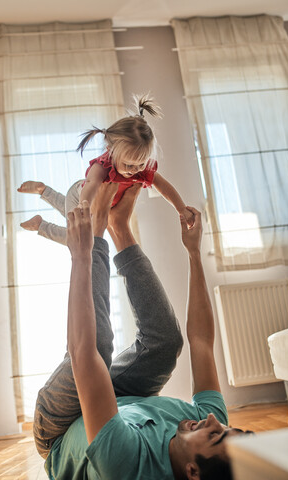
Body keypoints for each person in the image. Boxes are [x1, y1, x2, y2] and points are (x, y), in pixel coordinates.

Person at [33, 183, 250, 480]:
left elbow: (83, 353)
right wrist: (194, 253)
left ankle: (100, 227)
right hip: (123, 398)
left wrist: (83, 254)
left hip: (60, 424)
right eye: (227, 428)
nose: (214, 421)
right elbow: (201, 341)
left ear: (192, 472)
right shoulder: (208, 425)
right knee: (166, 344)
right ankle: (120, 228)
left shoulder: (127, 466)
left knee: (99, 347)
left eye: (216, 436)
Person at [17, 94, 194, 246]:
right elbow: (92, 184)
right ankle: (41, 225)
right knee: (78, 241)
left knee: (76, 228)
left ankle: (43, 190)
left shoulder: (141, 169)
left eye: (140, 164)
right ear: (111, 151)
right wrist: (83, 207)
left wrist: (181, 209)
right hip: (81, 195)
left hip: (97, 206)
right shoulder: (103, 166)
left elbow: (163, 186)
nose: (134, 171)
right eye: (129, 165)